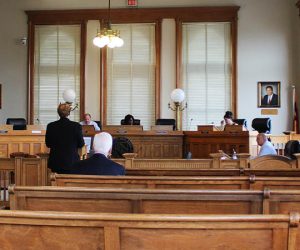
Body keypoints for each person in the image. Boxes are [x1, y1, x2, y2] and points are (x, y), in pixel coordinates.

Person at [46, 103, 85, 174]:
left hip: (55, 162)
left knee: (56, 184)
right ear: (69, 113)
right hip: (71, 161)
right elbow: (81, 144)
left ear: (58, 112)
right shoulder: (76, 126)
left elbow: (48, 144)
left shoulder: (51, 126)